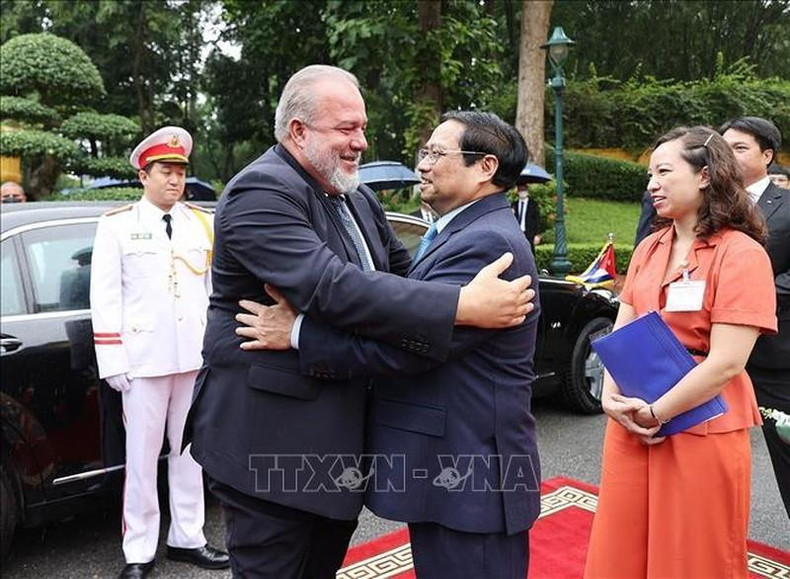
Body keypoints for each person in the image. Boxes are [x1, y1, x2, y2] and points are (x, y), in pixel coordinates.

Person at [182, 65, 535, 579]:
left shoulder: (353, 194)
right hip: (270, 449)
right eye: (346, 128)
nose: (361, 142)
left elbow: (403, 280)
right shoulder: (262, 189)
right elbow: (329, 286)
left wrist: (440, 303)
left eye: (362, 127)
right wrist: (458, 306)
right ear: (298, 131)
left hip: (333, 457)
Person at [584, 127, 777, 578]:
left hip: (699, 419)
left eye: (664, 171)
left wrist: (659, 411)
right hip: (633, 416)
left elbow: (728, 361)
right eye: (649, 174)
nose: (652, 183)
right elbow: (623, 326)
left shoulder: (741, 253)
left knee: (691, 551)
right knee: (623, 542)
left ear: (706, 176)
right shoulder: (651, 247)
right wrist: (613, 400)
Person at [90, 126, 229, 578]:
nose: (175, 180)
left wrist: (215, 352)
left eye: (180, 172)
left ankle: (188, 538)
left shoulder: (200, 223)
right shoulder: (117, 226)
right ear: (143, 176)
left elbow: (213, 293)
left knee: (190, 454)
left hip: (193, 358)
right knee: (142, 459)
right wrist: (113, 360)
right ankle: (139, 550)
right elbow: (105, 297)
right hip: (143, 362)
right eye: (165, 171)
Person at [720, 116, 790, 520]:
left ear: (767, 155)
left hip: (774, 355)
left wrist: (749, 302)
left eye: (739, 147)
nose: (728, 154)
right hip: (708, 354)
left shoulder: (786, 207)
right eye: (722, 146)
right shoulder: (704, 202)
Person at [511, 183, 542, 253]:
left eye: (524, 190)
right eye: (520, 190)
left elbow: (537, 220)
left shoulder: (533, 204)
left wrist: (538, 234)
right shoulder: (514, 204)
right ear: (517, 191)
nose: (522, 192)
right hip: (517, 233)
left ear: (527, 191)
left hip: (529, 233)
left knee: (530, 253)